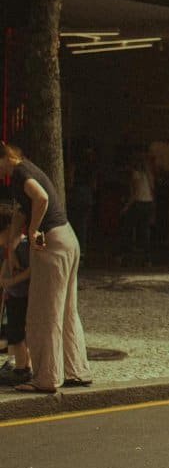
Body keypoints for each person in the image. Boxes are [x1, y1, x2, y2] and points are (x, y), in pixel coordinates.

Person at [0, 145, 92, 393]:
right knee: (66, 311)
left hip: (49, 243)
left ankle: (46, 377)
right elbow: (23, 210)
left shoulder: (19, 172)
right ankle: (76, 371)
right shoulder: (27, 169)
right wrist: (13, 241)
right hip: (67, 239)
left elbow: (41, 198)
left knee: (43, 313)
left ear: (5, 159)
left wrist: (32, 231)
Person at [0, 230, 32, 387]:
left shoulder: (23, 245)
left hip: (21, 294)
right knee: (15, 332)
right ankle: (23, 365)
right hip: (13, 294)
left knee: (17, 333)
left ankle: (21, 369)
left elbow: (31, 270)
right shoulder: (11, 246)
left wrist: (11, 281)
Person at [120, 152, 155, 266]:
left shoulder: (135, 174)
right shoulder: (149, 176)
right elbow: (152, 190)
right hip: (148, 203)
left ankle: (123, 254)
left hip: (138, 203)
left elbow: (135, 193)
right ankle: (147, 258)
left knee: (127, 228)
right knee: (145, 231)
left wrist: (126, 207)